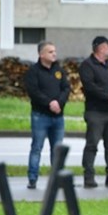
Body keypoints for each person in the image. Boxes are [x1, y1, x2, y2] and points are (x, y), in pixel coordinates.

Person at [79, 36, 108, 188]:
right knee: (92, 144)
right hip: (96, 112)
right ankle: (89, 176)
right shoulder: (87, 65)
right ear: (100, 47)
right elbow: (90, 87)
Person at [23, 40, 70, 190]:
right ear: (41, 54)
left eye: (54, 51)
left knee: (57, 149)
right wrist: (49, 103)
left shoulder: (59, 71)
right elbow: (34, 92)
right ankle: (32, 178)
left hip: (58, 117)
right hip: (40, 116)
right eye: (50, 52)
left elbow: (66, 88)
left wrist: (59, 103)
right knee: (37, 147)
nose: (54, 54)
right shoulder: (33, 72)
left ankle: (57, 179)